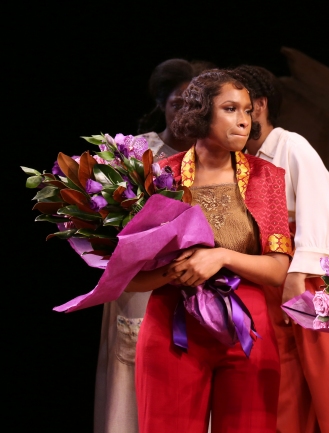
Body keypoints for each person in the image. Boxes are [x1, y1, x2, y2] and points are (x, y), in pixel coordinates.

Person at [127, 69, 292, 433]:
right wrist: (176, 272)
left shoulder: (268, 176)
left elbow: (279, 269)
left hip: (248, 327)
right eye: (231, 109)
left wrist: (221, 256)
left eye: (247, 111)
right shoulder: (158, 177)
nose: (244, 121)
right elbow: (128, 278)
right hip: (173, 324)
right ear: (202, 113)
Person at [231, 65, 329, 433]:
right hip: (272, 271)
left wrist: (298, 274)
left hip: (316, 273)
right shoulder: (239, 159)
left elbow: (319, 213)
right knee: (285, 385)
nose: (235, 118)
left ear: (259, 105)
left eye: (240, 108)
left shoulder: (292, 146)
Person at [94, 58, 199, 433]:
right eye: (177, 104)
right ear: (162, 106)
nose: (185, 113)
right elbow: (105, 223)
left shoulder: (218, 158)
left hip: (200, 284)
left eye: (194, 104)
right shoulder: (138, 154)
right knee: (133, 383)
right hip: (142, 285)